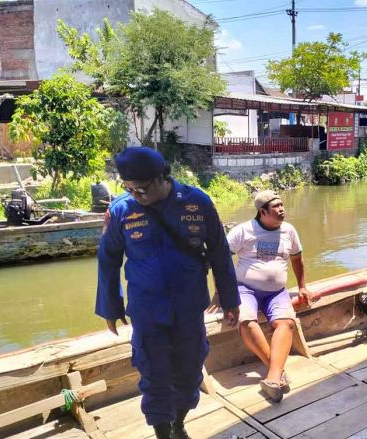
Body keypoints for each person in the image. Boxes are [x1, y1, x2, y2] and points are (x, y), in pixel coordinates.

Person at [95, 147, 240, 439]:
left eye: (143, 188)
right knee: (153, 372)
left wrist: (228, 297)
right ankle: (163, 433)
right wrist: (111, 306)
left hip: (189, 305)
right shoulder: (121, 209)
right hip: (146, 309)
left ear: (163, 176)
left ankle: (178, 425)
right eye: (129, 188)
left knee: (190, 369)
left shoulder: (197, 202)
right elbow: (108, 258)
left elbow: (220, 252)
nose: (136, 194)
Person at [225, 190, 313, 403]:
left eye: (282, 205)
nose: (282, 210)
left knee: (286, 324)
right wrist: (223, 294)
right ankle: (276, 372)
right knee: (246, 322)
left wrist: (302, 287)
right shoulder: (243, 231)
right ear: (262, 211)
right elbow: (222, 261)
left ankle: (272, 378)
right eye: (276, 207)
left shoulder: (289, 231)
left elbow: (297, 259)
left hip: (277, 292)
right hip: (245, 288)